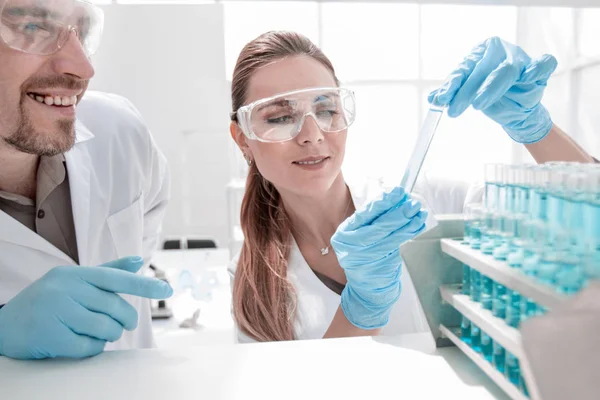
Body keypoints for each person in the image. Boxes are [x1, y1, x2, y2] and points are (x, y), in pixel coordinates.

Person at [227, 32, 596, 344]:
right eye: (279, 117)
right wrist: (363, 308)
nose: (312, 135)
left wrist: (536, 129)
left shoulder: (423, 203)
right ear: (242, 139)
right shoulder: (253, 282)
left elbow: (585, 221)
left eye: (326, 110)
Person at [0, 0, 172, 360]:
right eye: (33, 26)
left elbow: (151, 210)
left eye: (84, 30)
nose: (83, 68)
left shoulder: (120, 130)